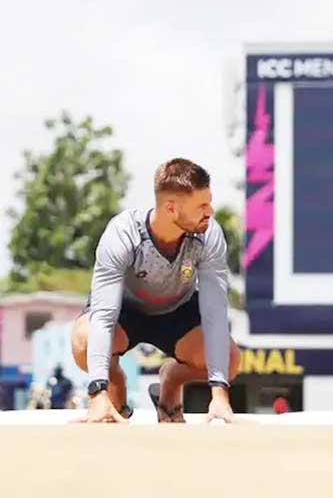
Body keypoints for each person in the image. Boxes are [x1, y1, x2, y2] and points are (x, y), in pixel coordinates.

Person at [71, 158, 241, 423]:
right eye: (202, 205)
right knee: (83, 341)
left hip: (177, 311)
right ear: (171, 208)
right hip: (124, 311)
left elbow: (215, 313)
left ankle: (171, 381)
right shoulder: (123, 234)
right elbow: (104, 316)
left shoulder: (208, 234)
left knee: (230, 361)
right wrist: (97, 393)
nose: (210, 211)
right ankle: (117, 388)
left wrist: (219, 397)